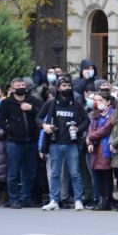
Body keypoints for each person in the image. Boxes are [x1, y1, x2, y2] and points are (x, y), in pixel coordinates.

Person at [37, 77, 89, 211]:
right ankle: (53, 200)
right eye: (63, 85)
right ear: (58, 88)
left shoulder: (76, 104)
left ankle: (78, 200)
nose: (66, 88)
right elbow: (37, 118)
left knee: (75, 173)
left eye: (68, 85)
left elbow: (86, 120)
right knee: (54, 173)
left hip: (71, 144)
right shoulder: (50, 103)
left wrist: (78, 129)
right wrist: (44, 126)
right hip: (55, 143)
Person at [0, 78, 42, 209]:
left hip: (32, 142)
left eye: (23, 85)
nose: (22, 87)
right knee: (13, 173)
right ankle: (14, 199)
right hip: (15, 142)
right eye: (18, 85)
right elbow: (0, 121)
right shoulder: (6, 103)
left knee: (30, 173)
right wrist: (10, 129)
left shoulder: (33, 100)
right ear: (12, 88)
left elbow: (42, 113)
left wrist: (31, 108)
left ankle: (26, 198)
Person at [86, 91, 115, 211]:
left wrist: (90, 137)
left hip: (105, 148)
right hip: (95, 149)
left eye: (101, 100)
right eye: (96, 100)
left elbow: (105, 129)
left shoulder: (112, 114)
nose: (98, 103)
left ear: (108, 102)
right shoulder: (96, 114)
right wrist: (89, 142)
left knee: (106, 175)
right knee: (97, 175)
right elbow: (90, 129)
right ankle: (99, 199)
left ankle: (106, 201)